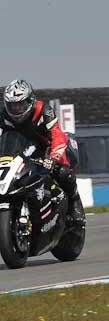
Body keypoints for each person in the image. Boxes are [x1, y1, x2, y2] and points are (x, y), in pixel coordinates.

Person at [1, 80, 86, 225]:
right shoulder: (4, 116)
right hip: (20, 151)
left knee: (62, 171)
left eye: (20, 104)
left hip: (46, 148)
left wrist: (54, 158)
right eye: (12, 105)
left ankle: (74, 202)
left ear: (30, 101)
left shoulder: (44, 110)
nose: (16, 109)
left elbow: (57, 135)